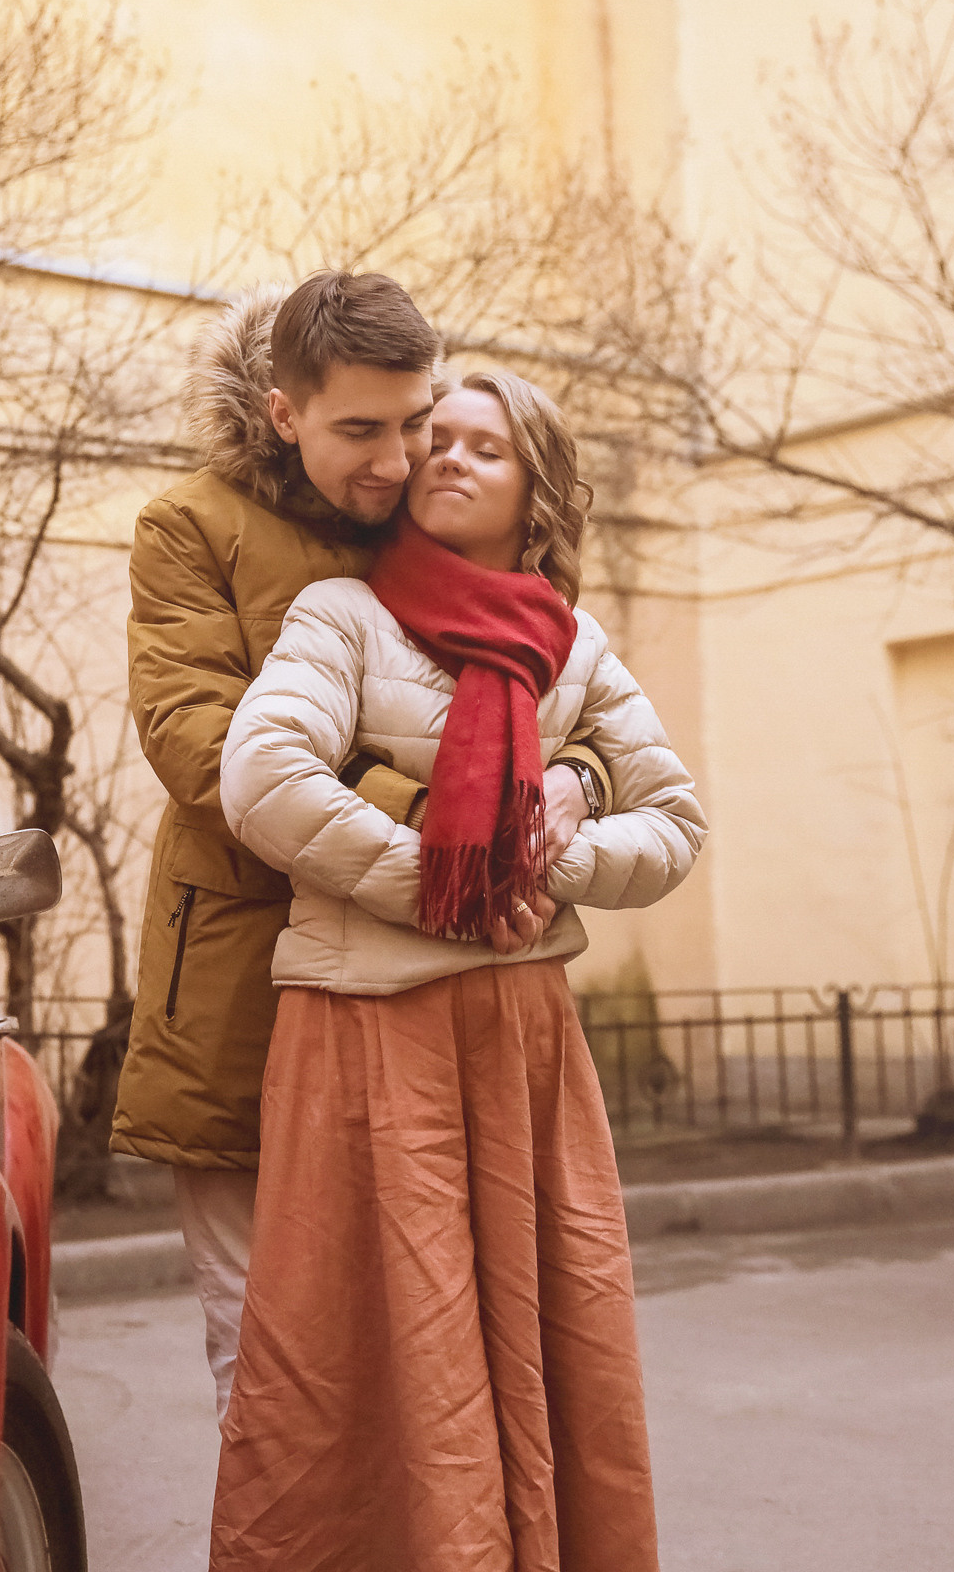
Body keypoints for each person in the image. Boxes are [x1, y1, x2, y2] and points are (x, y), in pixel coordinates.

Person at [209, 369, 706, 1571]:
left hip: (520, 1036)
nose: (448, 458)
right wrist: (431, 882)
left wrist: (569, 848)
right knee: (367, 1356)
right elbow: (262, 778)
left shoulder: (573, 649)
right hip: (364, 1034)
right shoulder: (343, 615)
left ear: (534, 493)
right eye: (441, 439)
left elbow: (678, 823)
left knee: (549, 1333)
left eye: (486, 447)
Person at [111, 273, 617, 1416]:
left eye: (415, 421)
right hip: (247, 964)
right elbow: (199, 742)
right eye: (359, 432)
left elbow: (561, 687)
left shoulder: (432, 514)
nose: (396, 460)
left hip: (421, 997)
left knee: (432, 1341)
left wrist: (573, 780)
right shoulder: (193, 527)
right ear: (284, 412)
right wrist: (435, 816)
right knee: (273, 1353)